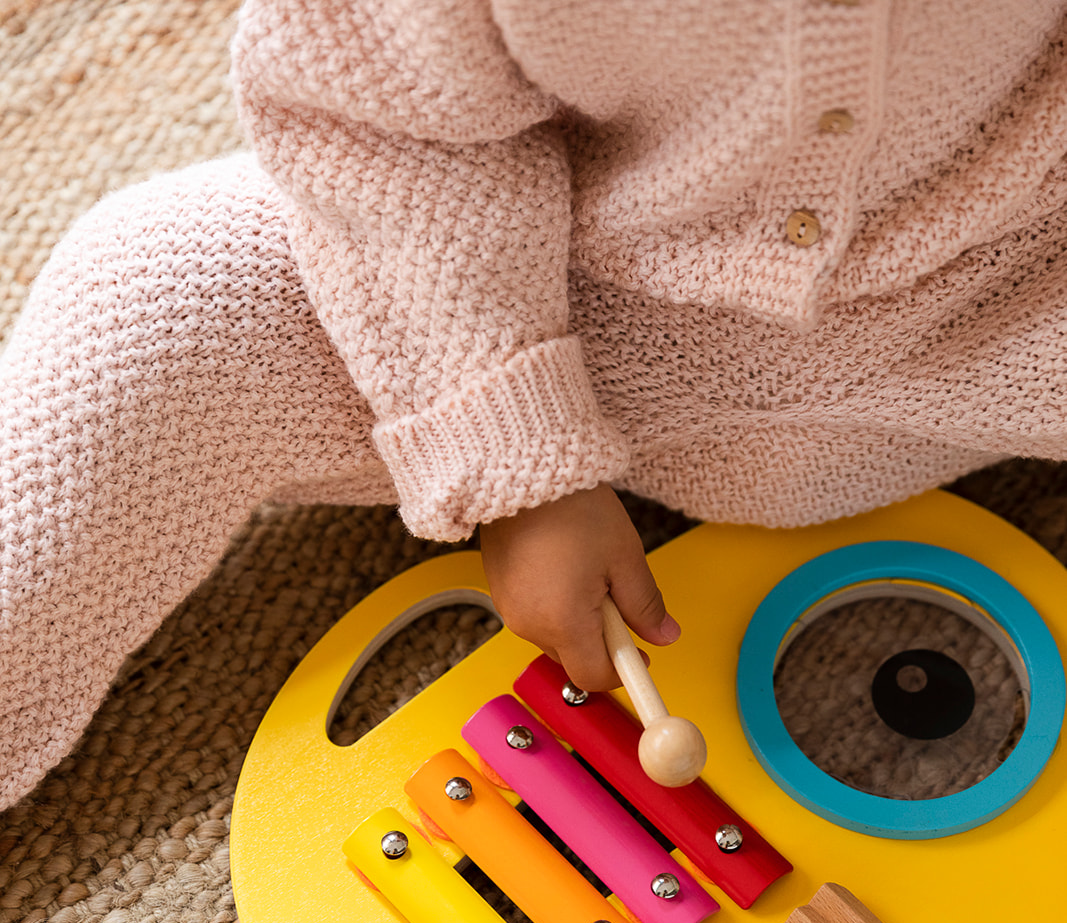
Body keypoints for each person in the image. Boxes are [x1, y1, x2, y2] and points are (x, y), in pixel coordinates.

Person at [3, 0, 1067, 811]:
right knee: (154, 295)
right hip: (568, 295)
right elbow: (378, 131)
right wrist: (513, 447)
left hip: (995, 306)